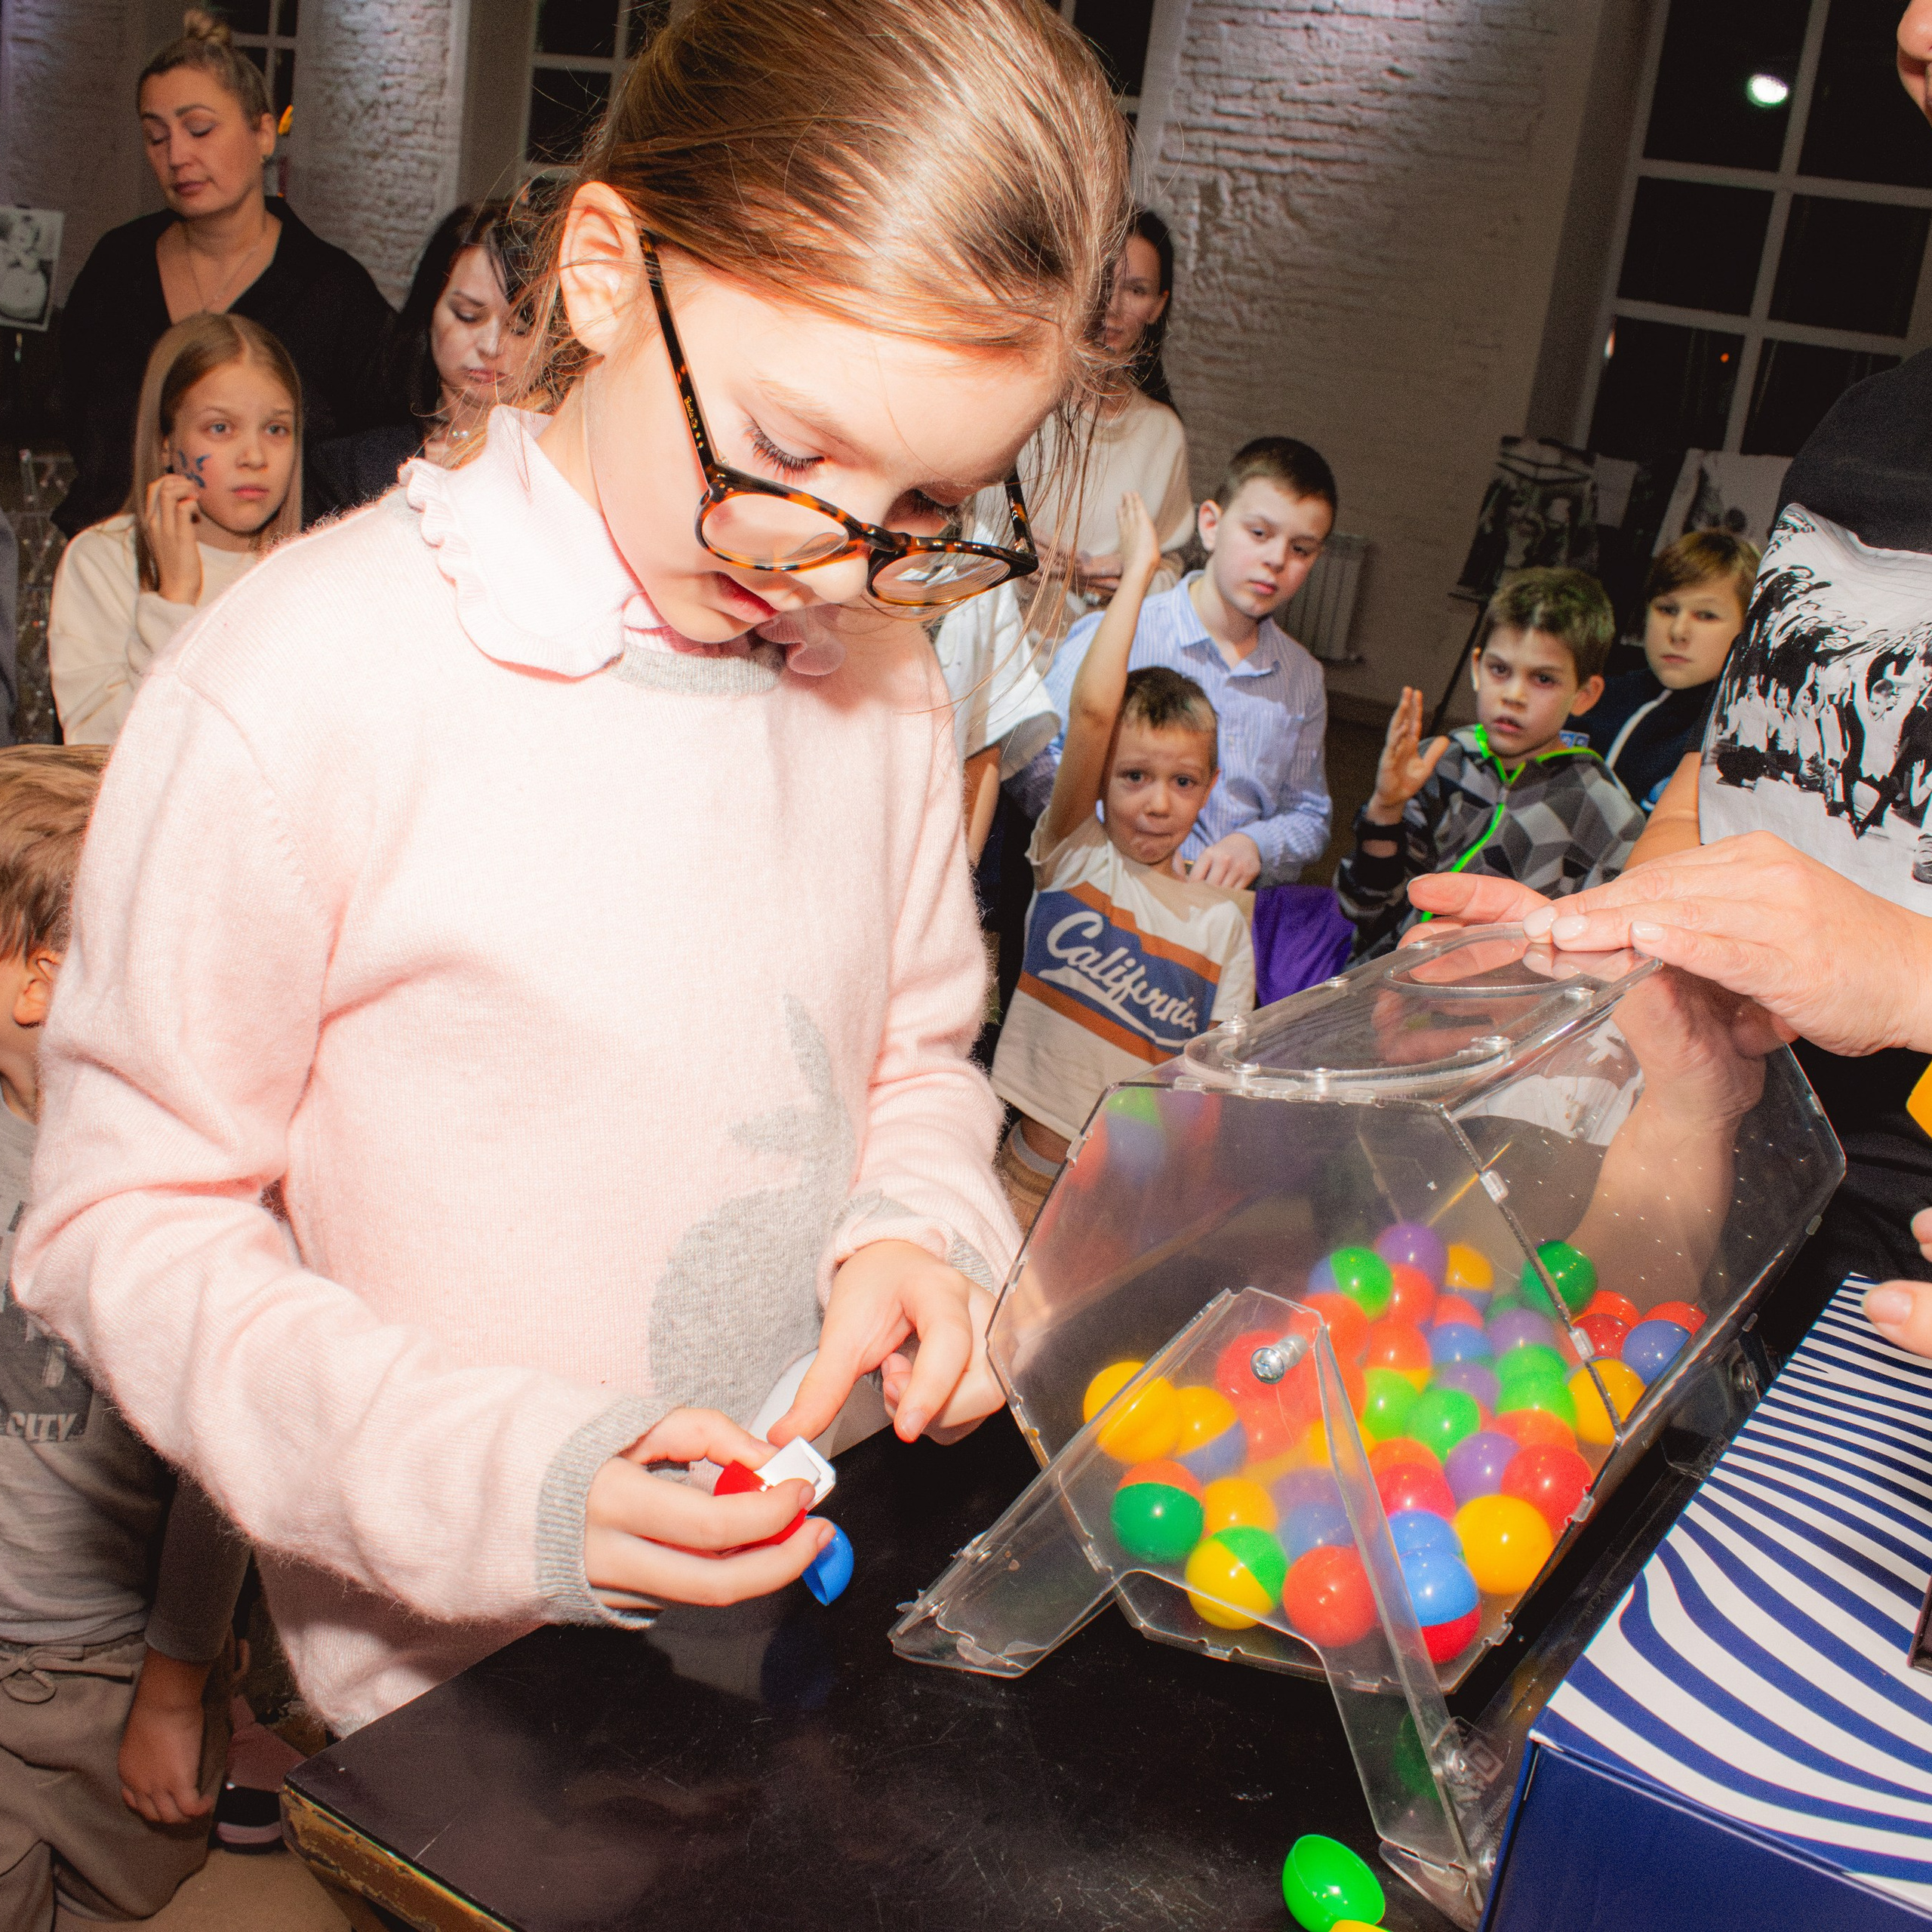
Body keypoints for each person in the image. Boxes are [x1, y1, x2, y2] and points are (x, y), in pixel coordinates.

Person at [14, 0, 1128, 1739]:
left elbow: (910, 1055)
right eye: (789, 450)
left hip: (806, 1582)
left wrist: (925, 1222)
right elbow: (124, 1221)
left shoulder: (888, 682)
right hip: (459, 1681)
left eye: (926, 509)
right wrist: (506, 1478)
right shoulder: (307, 681)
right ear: (603, 273)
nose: (833, 564)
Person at [0, 745, 250, 1929]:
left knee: (125, 1884)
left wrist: (173, 1687)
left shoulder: (181, 1193)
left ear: (40, 979)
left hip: (106, 1668)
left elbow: (219, 1477)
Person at [990, 492, 1254, 1230]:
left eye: (1183, 782)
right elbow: (1093, 713)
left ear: (1209, 788)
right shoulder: (1073, 853)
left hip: (1130, 1203)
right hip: (1027, 1178)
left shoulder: (1220, 927)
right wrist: (1139, 572)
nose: (1158, 803)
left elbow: (1215, 1083)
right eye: (1133, 775)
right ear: (1101, 774)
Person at [54, 9, 389, 537]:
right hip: (116, 555)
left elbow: (369, 451)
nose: (177, 155)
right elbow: (79, 421)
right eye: (156, 136)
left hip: (266, 568)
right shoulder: (117, 268)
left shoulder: (330, 291)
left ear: (263, 133)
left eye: (200, 129)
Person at [1025, 437, 1337, 890]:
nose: (1276, 559)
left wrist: (1255, 845)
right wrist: (1111, 832)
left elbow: (1309, 814)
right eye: (1259, 533)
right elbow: (1036, 757)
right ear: (1210, 525)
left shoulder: (1302, 677)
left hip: (1219, 909)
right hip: (1108, 889)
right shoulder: (1122, 634)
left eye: (1301, 549)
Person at [1337, 568, 1644, 954]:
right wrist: (1386, 808)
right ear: (1477, 669)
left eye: (1543, 679)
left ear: (1585, 694)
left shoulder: (1608, 816)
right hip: (1384, 973)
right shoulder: (1439, 763)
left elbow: (1593, 955)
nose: (1513, 695)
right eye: (1500, 670)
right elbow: (1363, 910)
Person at [50, 313, 302, 745]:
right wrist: (174, 599)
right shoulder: (103, 560)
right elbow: (98, 747)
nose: (255, 456)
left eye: (276, 429)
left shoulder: (313, 571)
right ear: (166, 443)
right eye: (220, 428)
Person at [1019, 208, 1194, 653]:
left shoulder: (1162, 433)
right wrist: (1011, 556)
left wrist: (1132, 576)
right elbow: (956, 528)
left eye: (1136, 290)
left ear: (1157, 307)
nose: (1111, 307)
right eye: (1102, 283)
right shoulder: (1021, 399)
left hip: (1098, 658)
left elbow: (1170, 573)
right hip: (999, 648)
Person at [306, 202, 540, 522]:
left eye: (521, 326)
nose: (491, 346)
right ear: (429, 310)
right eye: (468, 316)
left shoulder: (569, 468)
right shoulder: (350, 468)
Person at [1583, 531, 1758, 812]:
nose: (1678, 632)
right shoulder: (1591, 700)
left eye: (1706, 615)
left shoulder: (1739, 740)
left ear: (1748, 630)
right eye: (1667, 609)